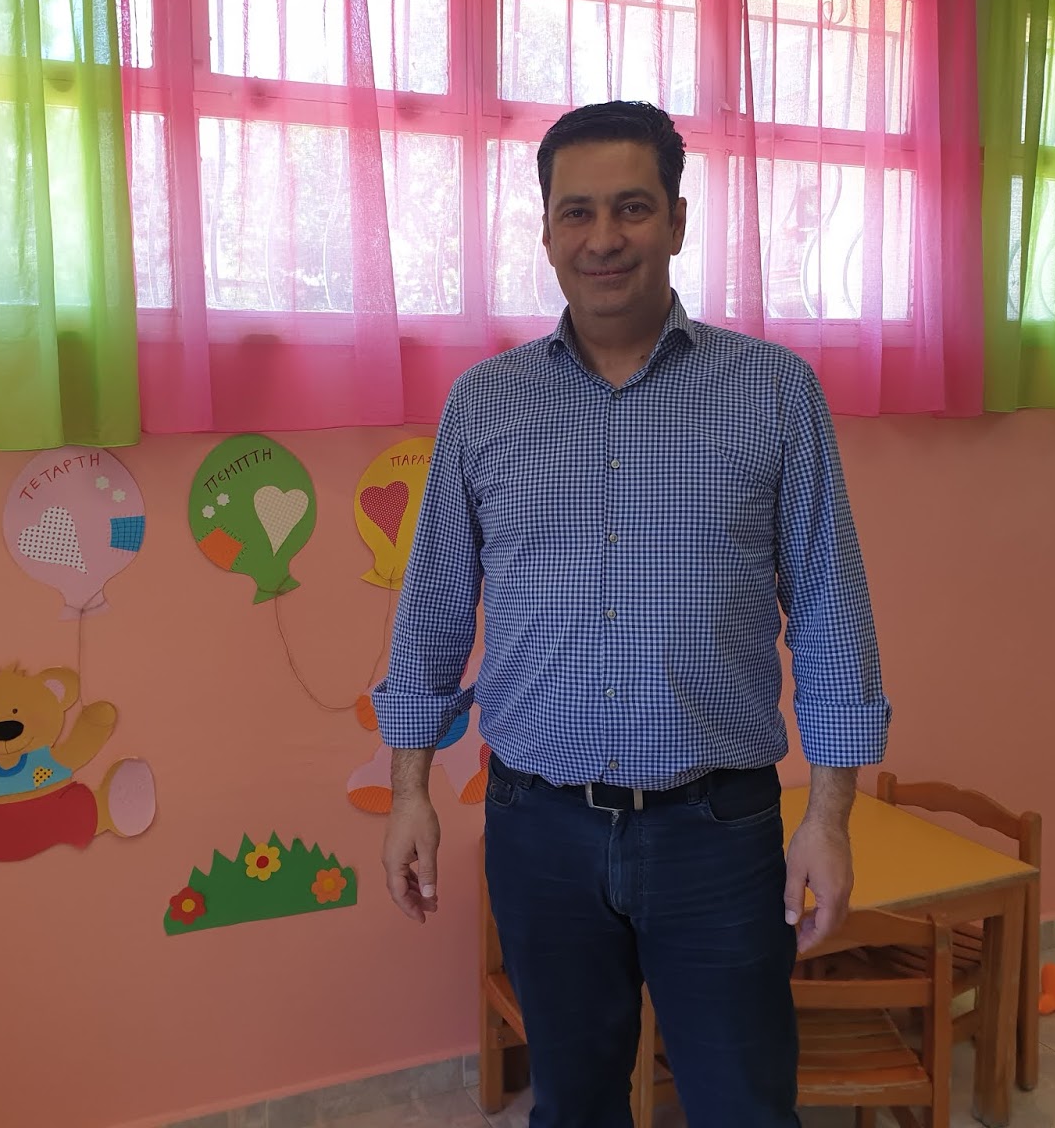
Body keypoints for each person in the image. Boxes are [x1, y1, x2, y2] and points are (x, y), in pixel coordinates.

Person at [369, 100, 890, 1128]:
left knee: (745, 1108)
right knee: (571, 1107)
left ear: (677, 221)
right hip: (538, 832)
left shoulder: (774, 393)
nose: (602, 237)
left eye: (632, 207)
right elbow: (431, 609)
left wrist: (829, 820)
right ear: (546, 232)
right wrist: (409, 793)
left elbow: (833, 614)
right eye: (577, 212)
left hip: (718, 834)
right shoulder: (484, 404)